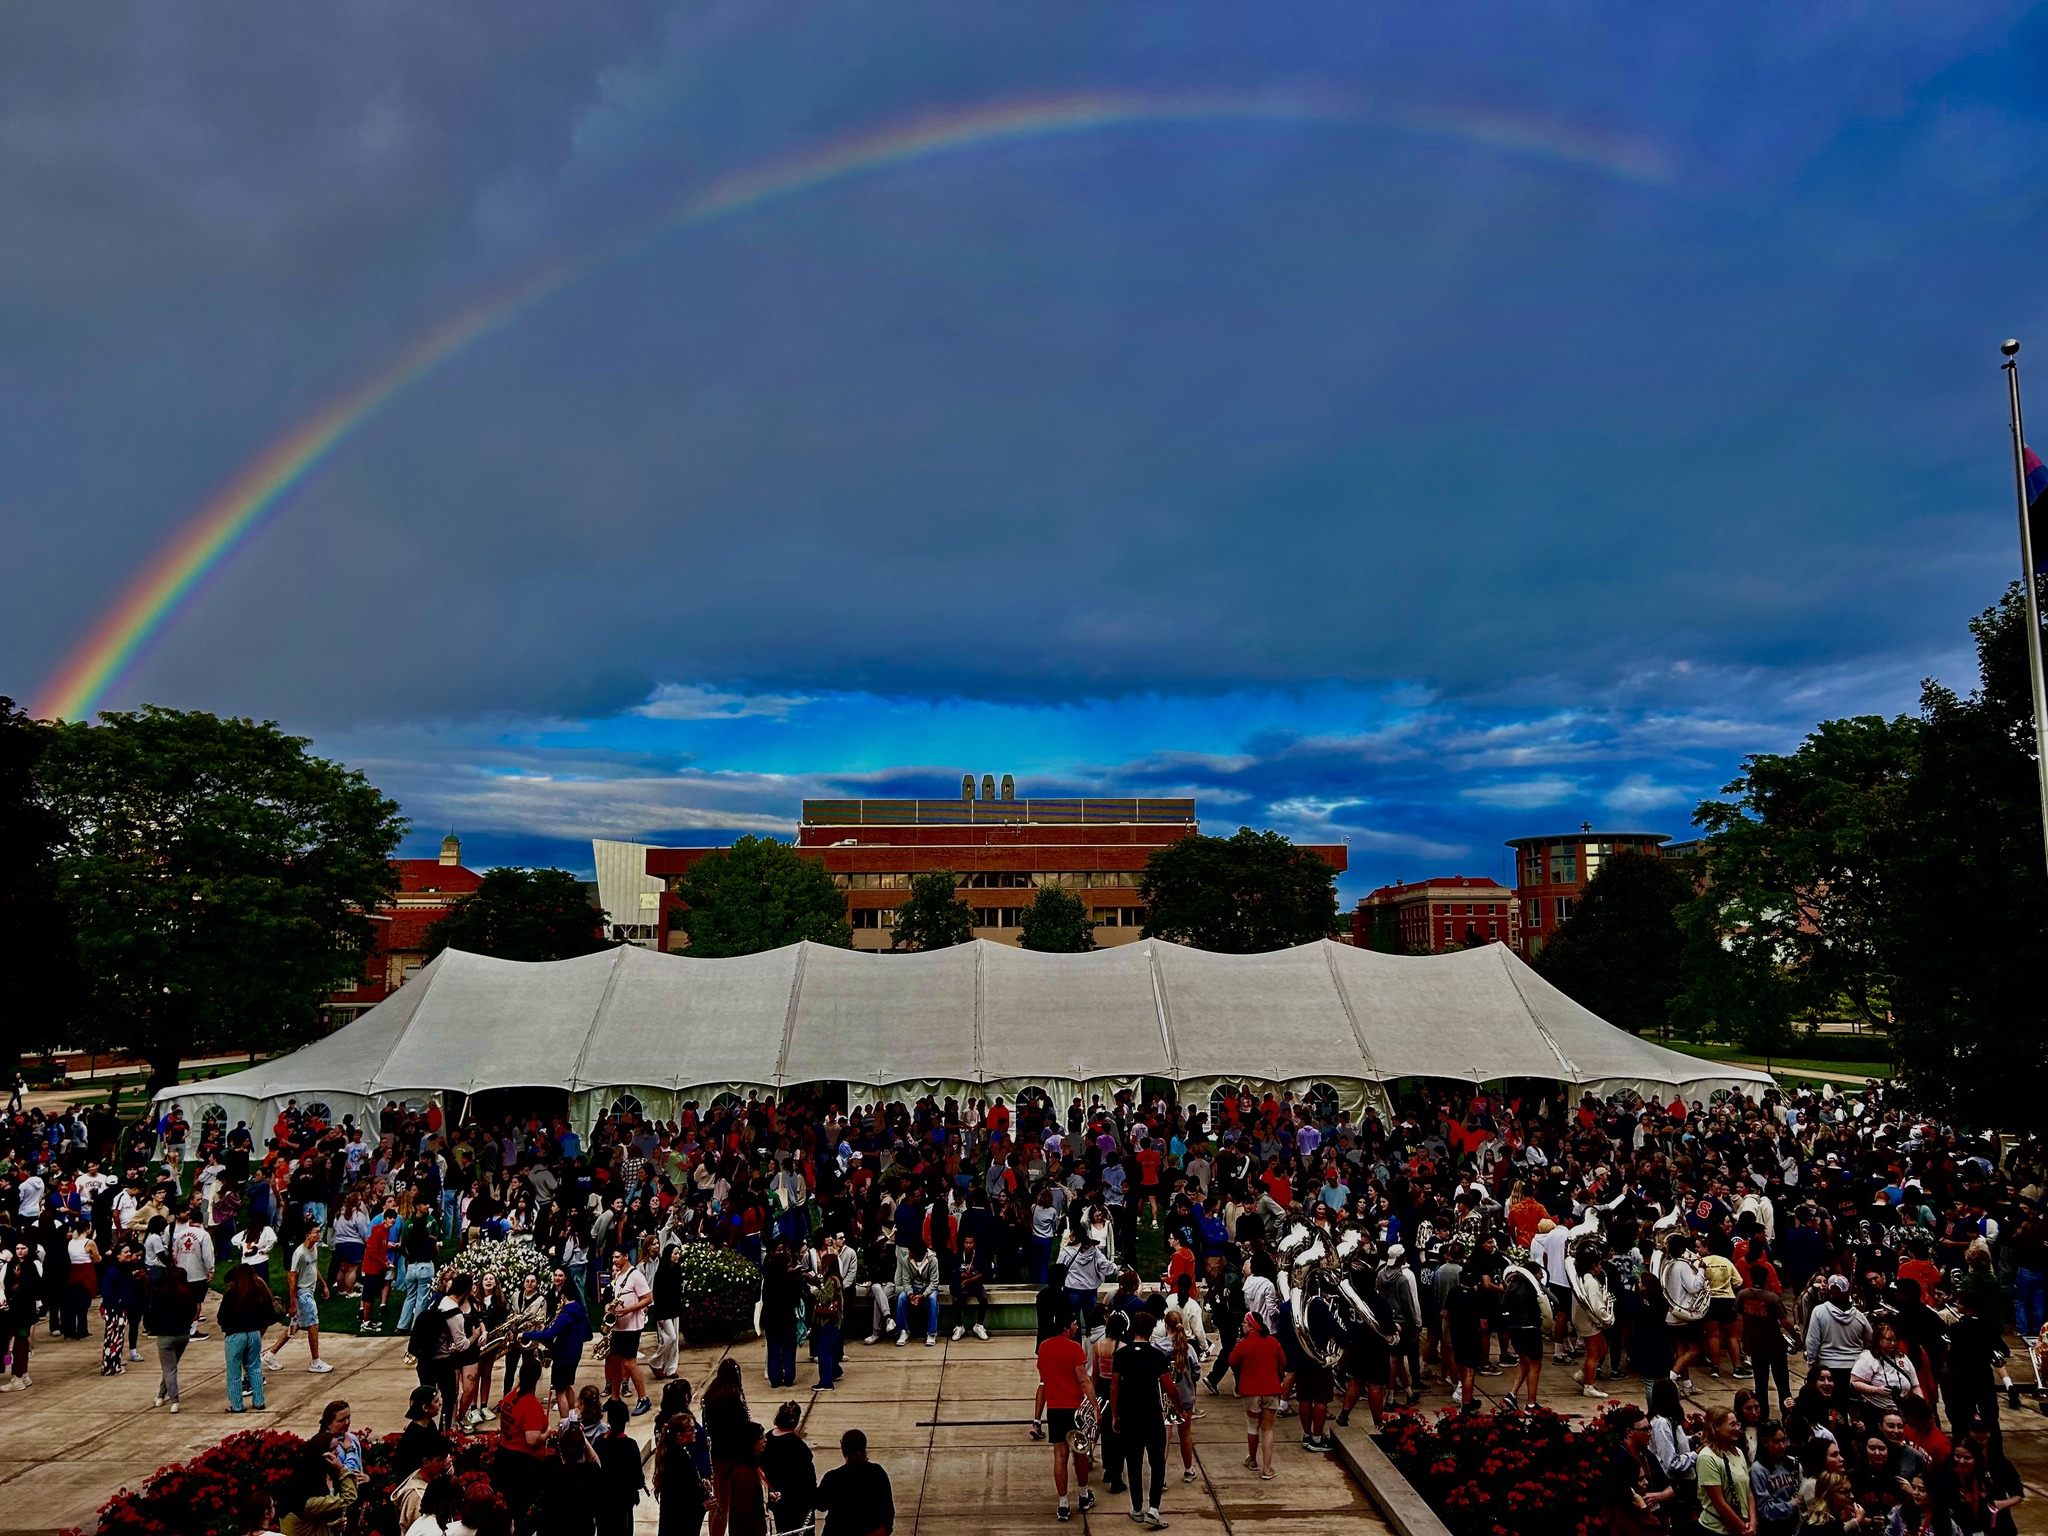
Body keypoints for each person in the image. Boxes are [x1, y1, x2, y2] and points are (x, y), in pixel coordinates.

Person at [1112, 1302, 1173, 1529]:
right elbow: (1168, 1386)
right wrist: (1176, 1405)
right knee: (1157, 1463)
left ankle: (1136, 1507)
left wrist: (1115, 1415)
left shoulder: (1122, 1354)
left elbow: (1115, 1387)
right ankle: (1154, 1508)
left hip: (1129, 1415)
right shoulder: (1157, 1356)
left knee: (1134, 1463)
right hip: (1152, 1415)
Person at [1037, 1312, 1097, 1522]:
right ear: (1065, 1328)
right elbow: (1084, 1380)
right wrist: (1095, 1406)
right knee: (1080, 1453)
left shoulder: (1043, 1347)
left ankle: (1063, 1503)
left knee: (1059, 1456)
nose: (1076, 1327)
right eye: (1073, 1324)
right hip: (1074, 1409)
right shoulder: (1074, 1348)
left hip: (1055, 1409)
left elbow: (1043, 1377)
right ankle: (1083, 1494)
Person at [263, 1224, 333, 1375]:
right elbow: (292, 1279)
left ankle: (270, 1355)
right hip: (303, 1294)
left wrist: (323, 1284)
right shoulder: (299, 1253)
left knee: (295, 1326)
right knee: (313, 1324)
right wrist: (293, 1303)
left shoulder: (313, 1249)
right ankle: (315, 1361)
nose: (319, 1234)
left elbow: (314, 1268)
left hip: (309, 1291)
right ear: (307, 1235)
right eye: (316, 1232)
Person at [522, 1266, 590, 1418]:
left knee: (559, 1392)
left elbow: (550, 1334)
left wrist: (526, 1334)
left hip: (563, 1356)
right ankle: (573, 1416)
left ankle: (565, 1421)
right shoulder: (578, 1311)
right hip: (574, 1354)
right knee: (567, 1386)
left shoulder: (566, 1315)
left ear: (564, 1296)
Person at [1229, 1311, 1289, 1481]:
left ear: (1252, 1326)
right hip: (1271, 1390)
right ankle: (1267, 1468)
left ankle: (1253, 1460)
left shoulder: (1243, 1345)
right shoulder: (1273, 1343)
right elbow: (1283, 1362)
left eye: (1244, 1324)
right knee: (1268, 1429)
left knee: (1252, 1426)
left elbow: (1232, 1361)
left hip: (1250, 1392)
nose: (1242, 1326)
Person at [218, 1259, 283, 1412]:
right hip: (254, 1334)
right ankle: (259, 1402)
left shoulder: (230, 1296)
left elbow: (221, 1318)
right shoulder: (258, 1293)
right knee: (254, 1368)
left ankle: (237, 1405)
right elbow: (267, 1313)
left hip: (235, 1336)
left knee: (234, 1372)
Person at [814, 1428, 895, 1536]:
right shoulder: (877, 1473)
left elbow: (820, 1505)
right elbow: (888, 1510)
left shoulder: (833, 1478)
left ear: (843, 1450)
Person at [144, 1262, 200, 1414]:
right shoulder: (188, 1295)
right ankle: (160, 1395)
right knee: (170, 1368)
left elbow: (151, 1315)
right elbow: (193, 1313)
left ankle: (174, 1400)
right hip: (183, 1335)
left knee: (169, 1369)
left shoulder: (161, 1295)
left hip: (165, 1337)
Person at [604, 1247, 655, 1414]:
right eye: (613, 1258)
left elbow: (648, 1298)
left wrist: (628, 1310)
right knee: (615, 1362)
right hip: (619, 1326)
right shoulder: (618, 1275)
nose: (614, 1261)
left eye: (617, 1257)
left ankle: (643, 1399)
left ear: (626, 1256)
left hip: (632, 1327)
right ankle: (614, 1399)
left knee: (629, 1362)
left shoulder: (636, 1276)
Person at [1698, 1405, 1755, 1536]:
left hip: (1743, 1526)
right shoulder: (1707, 1457)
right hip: (1717, 1529)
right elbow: (1718, 1502)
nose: (1737, 1429)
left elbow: (1748, 1491)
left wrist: (1752, 1522)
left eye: (1737, 1424)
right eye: (1732, 1424)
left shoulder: (1738, 1452)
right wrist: (1743, 1528)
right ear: (1716, 1427)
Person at [761, 1401, 817, 1536]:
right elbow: (809, 1479)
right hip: (798, 1502)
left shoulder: (767, 1438)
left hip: (777, 1499)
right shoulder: (798, 1446)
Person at [656, 1409, 711, 1536]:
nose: (695, 1432)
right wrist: (703, 1506)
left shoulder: (678, 1453)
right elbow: (680, 1504)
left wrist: (701, 1488)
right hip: (678, 1528)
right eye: (691, 1429)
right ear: (680, 1436)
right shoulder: (677, 1461)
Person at [598, 1397, 647, 1536]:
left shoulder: (599, 1442)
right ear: (626, 1420)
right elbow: (637, 1480)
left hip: (603, 1503)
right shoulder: (629, 1445)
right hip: (622, 1504)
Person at [1754, 1421, 1802, 1536]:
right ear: (1765, 1443)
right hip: (1773, 1529)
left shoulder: (1794, 1463)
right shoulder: (1758, 1470)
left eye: (1783, 1440)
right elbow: (1765, 1510)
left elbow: (1802, 1495)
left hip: (1796, 1525)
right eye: (1776, 1442)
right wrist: (1792, 1504)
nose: (1782, 1446)